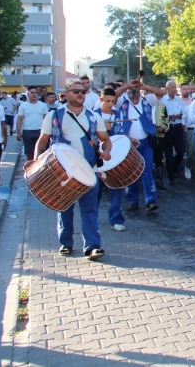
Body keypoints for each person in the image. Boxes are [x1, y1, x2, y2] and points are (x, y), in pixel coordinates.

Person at [28, 81, 112, 260]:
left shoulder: (93, 116)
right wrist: (36, 162)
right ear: (66, 94)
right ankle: (66, 243)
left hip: (89, 170)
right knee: (64, 208)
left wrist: (106, 151)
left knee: (90, 210)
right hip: (63, 171)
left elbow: (105, 139)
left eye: (83, 91)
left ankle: (92, 246)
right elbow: (42, 141)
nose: (80, 94)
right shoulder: (54, 116)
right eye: (76, 91)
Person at [115, 79, 163, 213]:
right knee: (130, 172)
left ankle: (150, 201)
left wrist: (144, 86)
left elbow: (161, 93)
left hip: (146, 142)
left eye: (135, 88)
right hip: (128, 144)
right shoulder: (122, 102)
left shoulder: (147, 100)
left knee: (148, 171)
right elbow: (113, 95)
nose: (133, 90)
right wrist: (126, 86)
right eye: (131, 88)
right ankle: (133, 201)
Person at [95, 88, 127, 230]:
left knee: (117, 187)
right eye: (107, 101)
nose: (110, 104)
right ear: (101, 99)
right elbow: (91, 138)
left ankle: (116, 219)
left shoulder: (119, 114)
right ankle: (92, 219)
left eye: (113, 101)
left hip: (115, 157)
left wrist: (129, 139)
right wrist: (105, 129)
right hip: (98, 158)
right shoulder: (93, 115)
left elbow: (121, 134)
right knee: (96, 190)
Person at [16, 86, 48, 161]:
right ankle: (30, 167)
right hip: (27, 131)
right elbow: (19, 119)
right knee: (29, 154)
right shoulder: (23, 105)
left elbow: (46, 119)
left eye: (35, 93)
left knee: (40, 154)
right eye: (32, 93)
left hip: (40, 131)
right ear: (28, 94)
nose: (34, 94)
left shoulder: (43, 105)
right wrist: (18, 133)